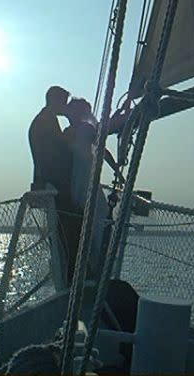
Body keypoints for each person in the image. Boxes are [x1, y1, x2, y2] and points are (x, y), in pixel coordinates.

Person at [63, 97, 119, 276]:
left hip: (79, 179)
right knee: (96, 219)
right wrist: (117, 170)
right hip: (82, 179)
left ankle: (92, 264)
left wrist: (117, 169)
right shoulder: (77, 131)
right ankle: (96, 265)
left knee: (92, 219)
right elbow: (102, 147)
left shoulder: (75, 131)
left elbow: (101, 146)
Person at [28, 85, 71, 200]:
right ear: (55, 101)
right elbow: (61, 147)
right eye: (64, 103)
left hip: (48, 179)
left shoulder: (45, 119)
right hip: (53, 181)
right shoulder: (46, 121)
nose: (65, 106)